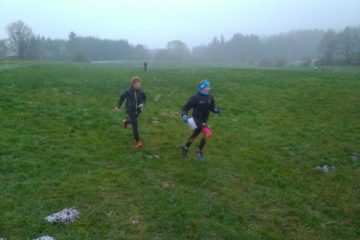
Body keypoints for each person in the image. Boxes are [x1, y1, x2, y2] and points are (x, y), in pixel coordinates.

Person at [181, 80, 220, 160]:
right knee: (208, 133)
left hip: (204, 119)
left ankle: (185, 147)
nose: (209, 88)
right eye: (207, 87)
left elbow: (211, 107)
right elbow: (185, 108)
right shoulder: (195, 98)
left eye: (209, 86)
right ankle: (199, 151)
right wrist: (184, 116)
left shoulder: (210, 97)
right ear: (202, 87)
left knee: (195, 135)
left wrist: (215, 110)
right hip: (196, 119)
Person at [115, 76, 146, 149]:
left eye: (139, 84)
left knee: (133, 121)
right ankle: (138, 141)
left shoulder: (141, 92)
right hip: (130, 110)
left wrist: (142, 104)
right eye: (137, 84)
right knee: (135, 124)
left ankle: (126, 121)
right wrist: (118, 106)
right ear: (133, 84)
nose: (139, 85)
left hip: (137, 111)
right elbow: (122, 98)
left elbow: (144, 98)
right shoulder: (128, 92)